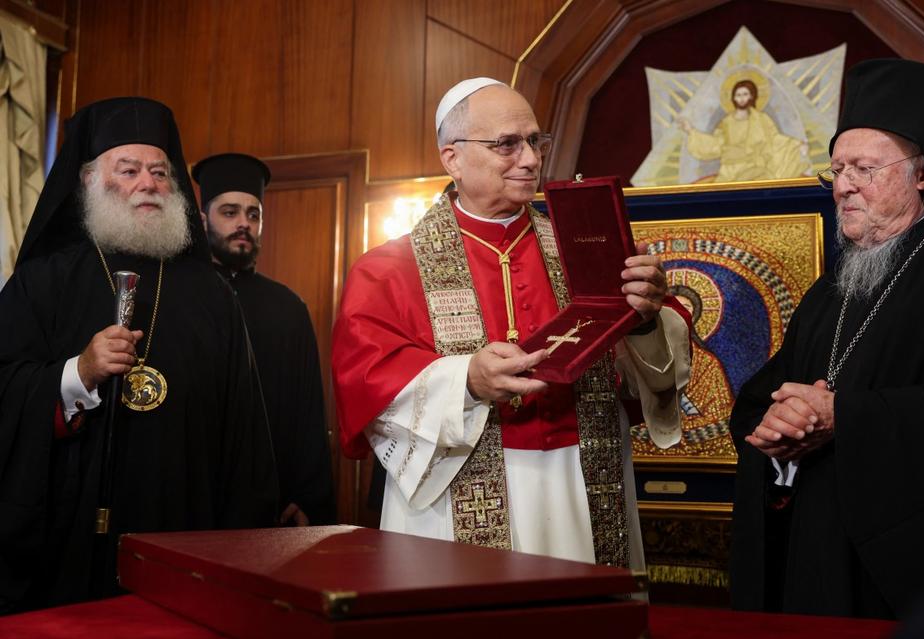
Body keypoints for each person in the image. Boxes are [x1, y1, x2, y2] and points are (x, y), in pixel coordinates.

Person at [332, 77, 691, 570]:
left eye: (535, 141)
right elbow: (366, 384)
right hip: (453, 495)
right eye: (507, 144)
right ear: (452, 157)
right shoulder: (388, 269)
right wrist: (467, 380)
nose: (530, 159)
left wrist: (644, 318)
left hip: (580, 479)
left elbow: (644, 378)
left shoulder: (586, 248)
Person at [0, 98, 279, 613]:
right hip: (66, 537)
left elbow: (243, 431)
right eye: (128, 170)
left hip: (186, 529)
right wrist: (74, 374)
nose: (148, 183)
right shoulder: (44, 281)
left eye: (158, 171)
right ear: (87, 181)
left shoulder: (212, 293)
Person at [729, 59, 924, 618]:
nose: (842, 187)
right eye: (836, 169)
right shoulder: (833, 286)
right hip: (817, 546)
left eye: (863, 169)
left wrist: (848, 416)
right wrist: (778, 429)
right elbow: (765, 393)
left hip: (922, 562)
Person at [193, 152, 336, 526]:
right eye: (230, 212)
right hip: (193, 494)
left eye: (253, 214)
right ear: (203, 218)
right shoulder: (180, 297)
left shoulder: (287, 306)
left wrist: (307, 494)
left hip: (272, 504)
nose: (244, 224)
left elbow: (308, 411)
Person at [679, 78, 809, 183]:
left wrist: (797, 145)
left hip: (755, 169)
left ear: (751, 96)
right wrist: (691, 131)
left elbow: (775, 139)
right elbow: (716, 144)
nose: (741, 98)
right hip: (730, 171)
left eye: (745, 94)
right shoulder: (726, 123)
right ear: (733, 98)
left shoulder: (761, 119)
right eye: (738, 95)